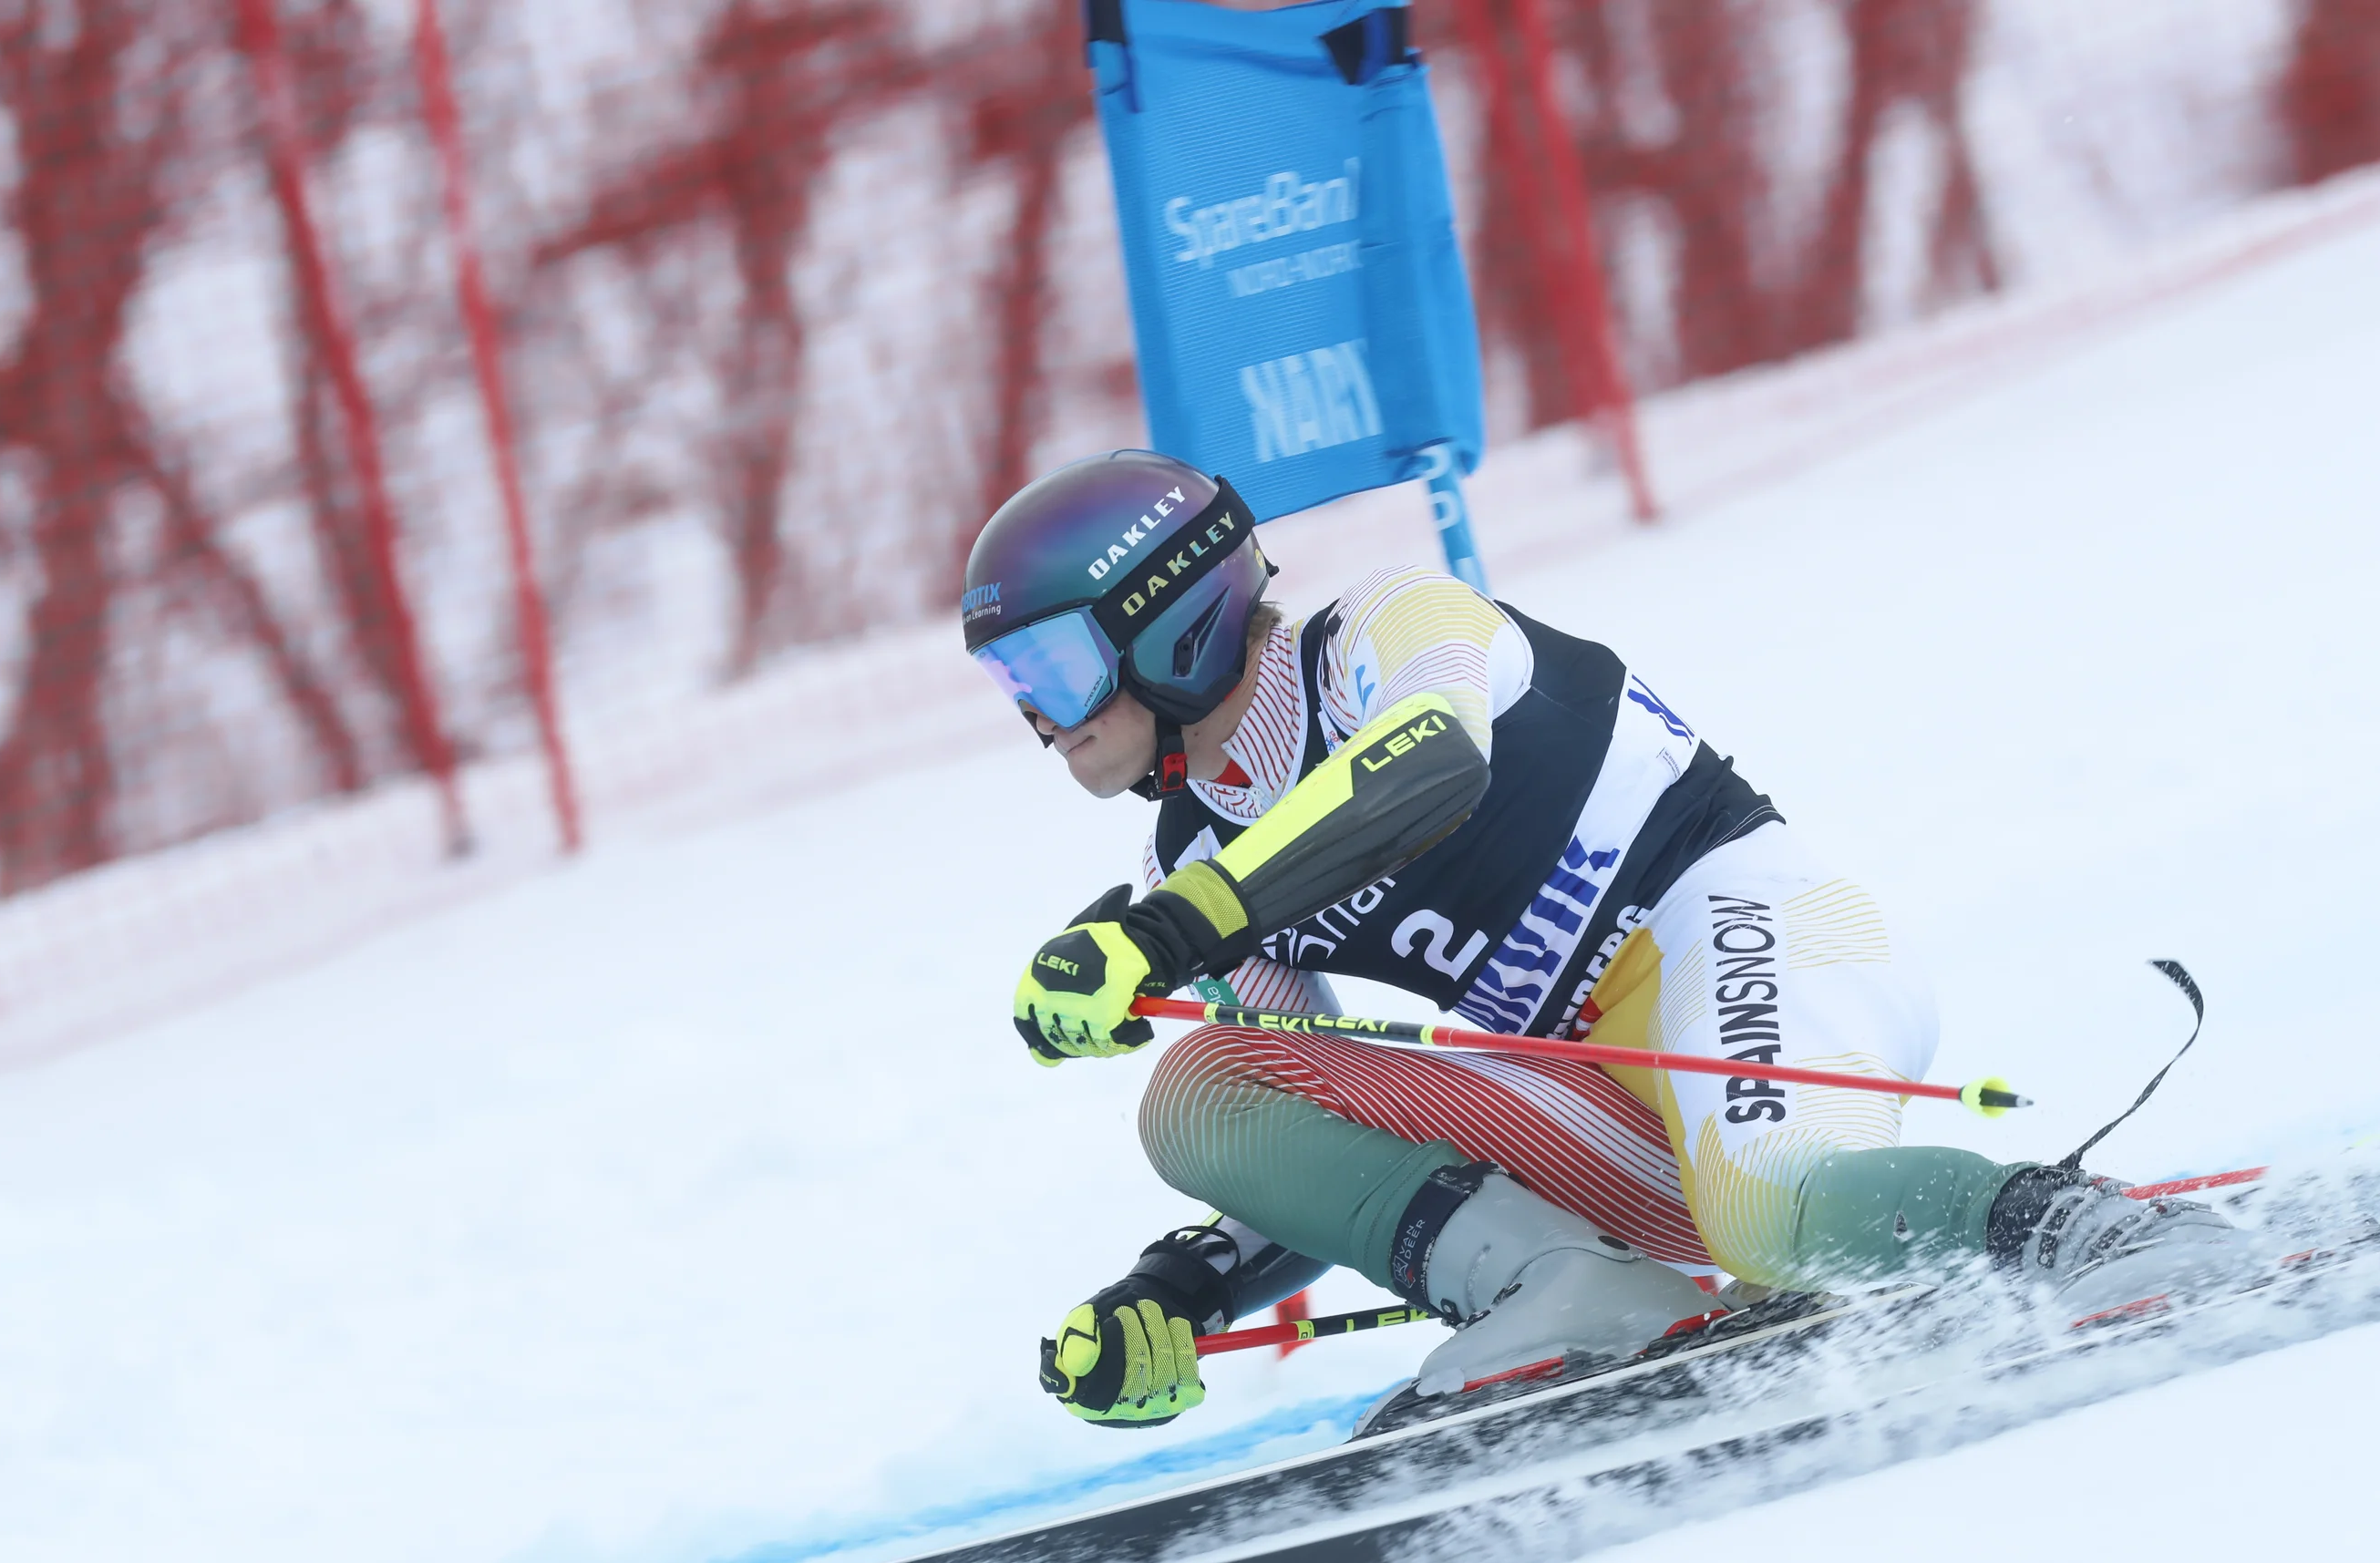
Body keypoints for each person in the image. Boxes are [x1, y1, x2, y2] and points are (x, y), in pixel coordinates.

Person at [966, 449, 2262, 1429]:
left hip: (1748, 940)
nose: (1046, 721)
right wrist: (1182, 1288)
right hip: (1601, 1104)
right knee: (1203, 1089)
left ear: (1168, 616)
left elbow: (1426, 770)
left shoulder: (1389, 629)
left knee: (1771, 1215)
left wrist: (1167, 931)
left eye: (1058, 671)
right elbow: (1327, 1122)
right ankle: (1587, 1297)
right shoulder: (1195, 858)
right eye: (1019, 690)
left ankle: (2084, 1233)